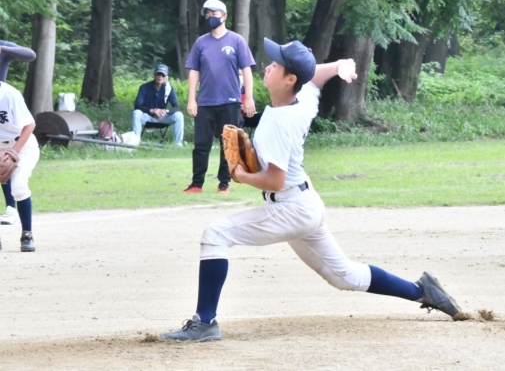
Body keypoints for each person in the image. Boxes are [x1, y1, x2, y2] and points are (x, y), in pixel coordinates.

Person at [159, 38, 462, 342]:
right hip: (304, 204)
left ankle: (205, 322)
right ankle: (423, 291)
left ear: (289, 79)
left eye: (275, 65)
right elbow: (313, 75)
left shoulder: (279, 123)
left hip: (290, 207)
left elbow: (275, 181)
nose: (267, 67)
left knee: (216, 235)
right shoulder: (300, 99)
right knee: (345, 276)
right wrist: (339, 66)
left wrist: (241, 175)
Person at [183, 0, 256, 194]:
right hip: (205, 102)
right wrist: (192, 99)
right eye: (207, 14)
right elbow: (193, 71)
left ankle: (224, 184)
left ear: (224, 16)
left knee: (229, 145)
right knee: (201, 145)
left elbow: (247, 70)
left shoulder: (237, 41)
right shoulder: (201, 43)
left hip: (230, 101)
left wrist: (248, 98)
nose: (210, 18)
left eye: (213, 14)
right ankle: (196, 184)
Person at [0, 80, 40, 252]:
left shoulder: (10, 94)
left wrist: (14, 151)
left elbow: (30, 125)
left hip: (23, 145)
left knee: (18, 185)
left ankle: (27, 235)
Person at [0, 40, 36, 227]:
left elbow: (30, 55)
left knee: (6, 163)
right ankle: (10, 208)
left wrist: (3, 49)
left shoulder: (2, 46)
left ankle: (11, 208)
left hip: (4, 102)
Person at [132, 64, 184, 146]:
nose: (160, 77)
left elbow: (176, 107)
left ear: (166, 77)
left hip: (162, 118)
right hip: (148, 117)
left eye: (163, 75)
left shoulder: (169, 89)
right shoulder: (144, 87)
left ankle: (178, 144)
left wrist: (166, 111)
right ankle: (135, 143)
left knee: (179, 115)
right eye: (158, 74)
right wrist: (152, 111)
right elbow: (137, 105)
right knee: (136, 113)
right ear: (154, 74)